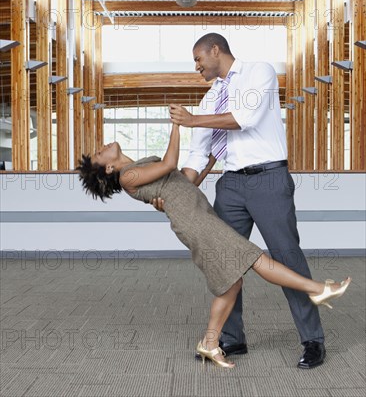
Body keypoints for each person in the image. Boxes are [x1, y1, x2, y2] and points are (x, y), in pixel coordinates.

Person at [77, 125, 351, 369]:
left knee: (230, 284)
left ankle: (210, 342)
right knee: (254, 258)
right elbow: (171, 163)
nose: (102, 148)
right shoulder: (128, 176)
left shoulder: (136, 168)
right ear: (109, 168)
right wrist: (176, 125)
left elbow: (183, 181)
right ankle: (318, 290)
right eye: (99, 154)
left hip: (200, 217)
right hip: (197, 224)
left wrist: (208, 162)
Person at [162, 32, 327, 369]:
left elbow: (244, 118)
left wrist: (191, 119)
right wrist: (171, 192)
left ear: (215, 50)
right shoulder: (209, 99)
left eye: (198, 59)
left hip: (268, 178)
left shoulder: (258, 72)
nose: (197, 67)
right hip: (231, 184)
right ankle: (232, 338)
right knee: (225, 261)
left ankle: (313, 340)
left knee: (286, 257)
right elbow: (198, 154)